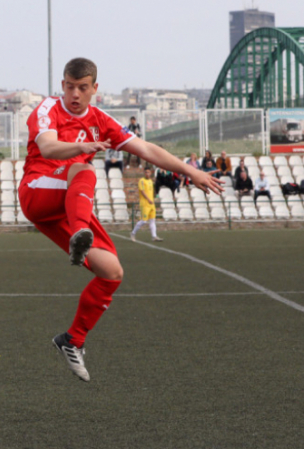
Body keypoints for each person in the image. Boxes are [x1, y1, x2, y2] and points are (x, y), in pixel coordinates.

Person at [19, 57, 223, 382]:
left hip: (69, 204)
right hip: (38, 191)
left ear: (94, 89)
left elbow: (146, 149)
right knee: (85, 168)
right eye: (69, 86)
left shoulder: (101, 120)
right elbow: (47, 147)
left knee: (112, 272)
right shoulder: (47, 109)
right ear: (62, 85)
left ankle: (72, 340)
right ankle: (80, 233)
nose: (74, 94)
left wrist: (190, 170)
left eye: (82, 88)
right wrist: (83, 146)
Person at [130, 168, 162, 242]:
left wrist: (154, 197)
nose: (147, 173)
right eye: (146, 172)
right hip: (145, 204)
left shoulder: (150, 181)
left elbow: (152, 191)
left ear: (150, 173)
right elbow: (142, 191)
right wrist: (148, 199)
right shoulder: (141, 181)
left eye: (148, 172)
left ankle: (154, 236)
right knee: (144, 221)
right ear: (144, 173)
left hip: (151, 204)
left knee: (152, 220)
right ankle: (133, 233)